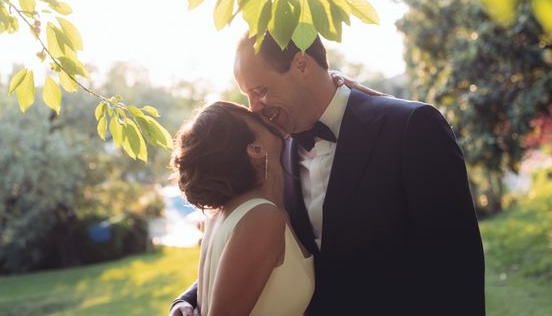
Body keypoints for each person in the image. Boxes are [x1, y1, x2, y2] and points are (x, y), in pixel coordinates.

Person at [171, 32, 485, 316]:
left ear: (302, 64)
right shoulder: (275, 154)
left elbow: (458, 267)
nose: (253, 108)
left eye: (261, 90)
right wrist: (189, 300)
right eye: (248, 95)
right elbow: (248, 247)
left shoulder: (410, 128)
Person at [171, 101, 315, 316]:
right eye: (252, 116)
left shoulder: (224, 214)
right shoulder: (261, 218)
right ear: (255, 149)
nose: (260, 112)